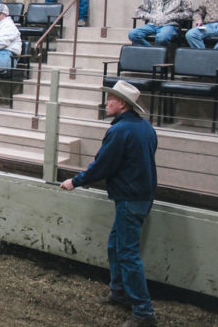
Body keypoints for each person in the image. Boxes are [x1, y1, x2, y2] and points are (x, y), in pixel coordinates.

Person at [60, 80, 157, 327]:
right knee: (117, 246)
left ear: (122, 103)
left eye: (110, 99)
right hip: (140, 196)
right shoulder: (145, 128)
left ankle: (144, 312)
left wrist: (76, 181)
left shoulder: (119, 131)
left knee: (126, 253)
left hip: (130, 199)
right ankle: (120, 292)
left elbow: (103, 165)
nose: (106, 102)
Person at [128, 0, 192, 47]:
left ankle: (157, 55)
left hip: (170, 25)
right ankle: (153, 52)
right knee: (133, 34)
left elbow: (189, 13)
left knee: (162, 38)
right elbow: (139, 11)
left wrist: (170, 17)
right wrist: (151, 17)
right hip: (152, 25)